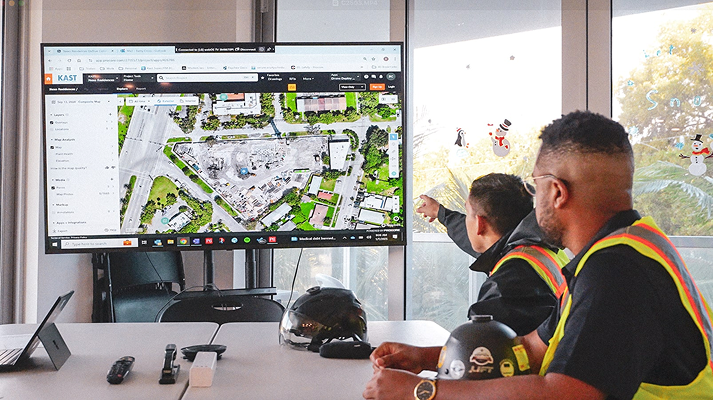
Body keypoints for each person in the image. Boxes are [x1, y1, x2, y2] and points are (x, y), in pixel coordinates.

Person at [363, 110, 713, 400]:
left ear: (557, 191)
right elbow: (528, 350)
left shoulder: (615, 271)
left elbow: (564, 394)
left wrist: (422, 391)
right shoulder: (625, 250)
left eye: (535, 186)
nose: (533, 200)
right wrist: (424, 358)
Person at [421, 173, 568, 336]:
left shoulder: (508, 283)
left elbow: (479, 347)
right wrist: (441, 213)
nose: (466, 222)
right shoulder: (536, 248)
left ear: (480, 224)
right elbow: (476, 237)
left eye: (468, 213)